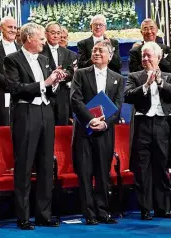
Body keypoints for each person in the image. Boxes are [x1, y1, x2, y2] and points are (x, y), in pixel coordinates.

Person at [4, 22, 66, 230]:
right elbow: (15, 88)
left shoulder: (44, 59)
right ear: (29, 38)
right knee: (24, 165)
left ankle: (43, 214)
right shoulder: (12, 59)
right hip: (26, 113)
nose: (43, 42)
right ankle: (23, 216)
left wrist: (55, 82)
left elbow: (49, 90)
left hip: (46, 112)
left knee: (46, 164)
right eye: (40, 39)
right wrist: (45, 83)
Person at [70, 40, 124, 225]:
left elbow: (117, 108)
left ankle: (102, 211)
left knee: (102, 172)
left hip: (105, 133)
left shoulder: (118, 78)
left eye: (100, 50)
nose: (96, 53)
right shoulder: (81, 74)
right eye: (94, 50)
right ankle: (89, 213)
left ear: (110, 56)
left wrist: (105, 125)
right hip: (84, 131)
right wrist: (91, 119)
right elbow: (75, 100)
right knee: (85, 174)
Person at [125, 41, 171, 220]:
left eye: (149, 56)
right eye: (143, 56)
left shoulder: (169, 76)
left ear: (159, 58)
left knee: (162, 167)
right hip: (142, 125)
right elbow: (128, 96)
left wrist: (160, 82)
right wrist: (146, 85)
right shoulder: (134, 76)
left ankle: (164, 207)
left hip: (162, 125)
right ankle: (145, 209)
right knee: (142, 169)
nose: (145, 59)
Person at [0, 16, 21, 126]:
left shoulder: (22, 48)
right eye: (10, 27)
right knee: (4, 126)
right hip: (2, 93)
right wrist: (13, 84)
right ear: (1, 28)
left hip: (21, 94)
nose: (13, 30)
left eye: (15, 27)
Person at [41, 22, 74, 125]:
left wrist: (62, 75)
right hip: (45, 95)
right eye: (53, 33)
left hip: (63, 96)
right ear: (46, 34)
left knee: (62, 127)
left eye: (58, 33)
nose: (56, 36)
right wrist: (53, 76)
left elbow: (71, 71)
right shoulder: (39, 51)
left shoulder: (68, 53)